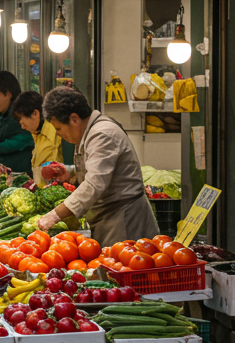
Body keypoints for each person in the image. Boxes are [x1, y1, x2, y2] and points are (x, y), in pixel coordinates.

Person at [37, 86, 159, 246]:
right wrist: (70, 172)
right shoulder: (87, 133)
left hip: (124, 220)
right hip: (108, 217)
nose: (58, 134)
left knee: (124, 267)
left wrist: (54, 215)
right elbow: (101, 170)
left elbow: (94, 184)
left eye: (58, 128)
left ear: (74, 119)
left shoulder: (103, 134)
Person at [11, 91, 63, 182]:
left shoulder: (55, 131)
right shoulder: (36, 133)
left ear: (35, 113)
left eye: (21, 119)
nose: (22, 126)